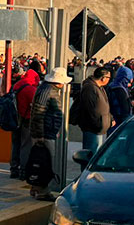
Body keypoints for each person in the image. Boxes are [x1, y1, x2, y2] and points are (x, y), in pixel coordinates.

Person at [29, 67, 70, 200]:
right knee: (45, 163)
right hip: (45, 133)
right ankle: (43, 191)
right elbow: (38, 114)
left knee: (40, 161)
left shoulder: (47, 89)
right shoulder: (48, 91)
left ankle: (36, 188)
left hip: (47, 131)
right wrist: (40, 134)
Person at [9, 62, 40, 180]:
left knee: (15, 144)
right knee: (26, 145)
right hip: (26, 120)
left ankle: (13, 168)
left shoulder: (17, 85)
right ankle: (23, 170)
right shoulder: (30, 89)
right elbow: (34, 105)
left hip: (15, 119)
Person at [78, 67, 113, 152]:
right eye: (109, 78)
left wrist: (110, 119)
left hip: (99, 127)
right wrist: (98, 124)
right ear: (103, 78)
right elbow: (90, 109)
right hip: (93, 128)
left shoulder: (99, 88)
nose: (109, 80)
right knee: (90, 154)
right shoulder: (90, 88)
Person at [106, 66, 134, 134]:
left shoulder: (111, 85)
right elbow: (124, 108)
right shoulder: (120, 89)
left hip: (112, 119)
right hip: (119, 121)